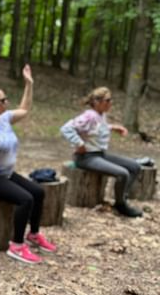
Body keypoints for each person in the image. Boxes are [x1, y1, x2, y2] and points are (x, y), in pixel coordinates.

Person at [0, 64, 56, 265]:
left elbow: (24, 109)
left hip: (5, 173)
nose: (7, 103)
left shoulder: (4, 118)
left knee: (38, 192)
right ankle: (16, 245)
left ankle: (33, 234)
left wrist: (29, 84)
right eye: (2, 100)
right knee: (26, 199)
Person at [60, 87, 142, 217]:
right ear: (97, 102)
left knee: (134, 166)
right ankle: (121, 205)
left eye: (111, 100)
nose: (110, 103)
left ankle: (122, 198)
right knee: (123, 173)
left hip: (99, 155)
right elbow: (66, 128)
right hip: (85, 158)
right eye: (107, 100)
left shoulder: (100, 115)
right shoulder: (89, 116)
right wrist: (79, 143)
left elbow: (95, 129)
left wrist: (113, 127)